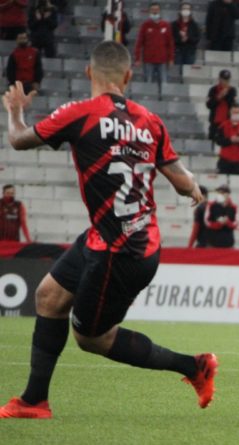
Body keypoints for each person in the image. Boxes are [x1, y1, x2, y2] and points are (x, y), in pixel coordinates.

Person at [0, 41, 215, 419]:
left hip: (121, 251)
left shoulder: (80, 113)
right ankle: (34, 401)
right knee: (49, 296)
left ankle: (193, 366)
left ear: (88, 74)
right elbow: (182, 182)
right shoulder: (150, 121)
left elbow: (18, 140)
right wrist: (194, 188)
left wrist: (15, 112)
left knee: (91, 338)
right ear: (129, 77)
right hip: (118, 237)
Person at [133, 3, 174, 84]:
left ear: (159, 11)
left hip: (162, 60)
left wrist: (171, 59)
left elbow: (170, 44)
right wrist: (137, 58)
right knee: (148, 82)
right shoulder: (145, 25)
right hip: (148, 60)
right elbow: (139, 43)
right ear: (149, 11)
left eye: (156, 9)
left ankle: (164, 96)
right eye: (153, 9)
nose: (155, 11)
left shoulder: (166, 25)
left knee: (164, 82)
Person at [214, 103, 239, 175]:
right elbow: (218, 140)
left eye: (238, 113)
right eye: (234, 112)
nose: (236, 115)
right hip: (225, 159)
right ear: (230, 112)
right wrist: (230, 140)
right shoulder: (223, 126)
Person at [206, 69, 237, 140]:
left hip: (227, 122)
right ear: (219, 79)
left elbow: (232, 104)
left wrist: (226, 94)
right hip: (215, 121)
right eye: (224, 80)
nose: (225, 82)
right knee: (213, 140)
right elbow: (209, 105)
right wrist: (219, 97)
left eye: (227, 80)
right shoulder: (213, 90)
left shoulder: (232, 90)